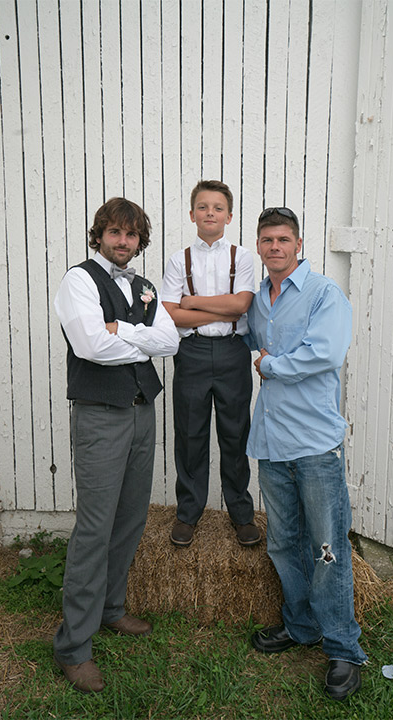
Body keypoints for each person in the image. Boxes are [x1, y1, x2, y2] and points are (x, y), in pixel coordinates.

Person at [53, 197, 179, 693]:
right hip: (100, 416)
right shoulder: (79, 279)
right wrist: (140, 338)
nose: (122, 242)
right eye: (113, 233)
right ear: (99, 235)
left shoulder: (145, 287)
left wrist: (123, 329)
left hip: (140, 412)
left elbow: (169, 343)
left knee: (130, 518)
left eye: (131, 235)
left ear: (139, 240)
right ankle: (73, 647)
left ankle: (112, 610)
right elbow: (90, 346)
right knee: (94, 527)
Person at [246, 207, 367, 701]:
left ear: (298, 244)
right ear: (259, 246)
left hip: (315, 444)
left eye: (283, 239)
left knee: (327, 548)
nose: (275, 247)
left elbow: (326, 353)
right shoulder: (257, 301)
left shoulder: (324, 295)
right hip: (272, 443)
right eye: (267, 240)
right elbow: (246, 344)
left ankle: (344, 650)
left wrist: (272, 365)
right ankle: (301, 627)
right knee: (283, 542)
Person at [161, 180, 260, 548]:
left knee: (235, 433)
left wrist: (193, 304)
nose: (210, 214)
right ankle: (188, 512)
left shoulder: (242, 256)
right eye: (203, 207)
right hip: (193, 354)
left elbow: (241, 306)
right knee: (190, 433)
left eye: (218, 208)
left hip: (233, 353)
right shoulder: (179, 259)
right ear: (192, 214)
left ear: (229, 216)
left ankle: (241, 513)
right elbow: (170, 314)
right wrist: (200, 310)